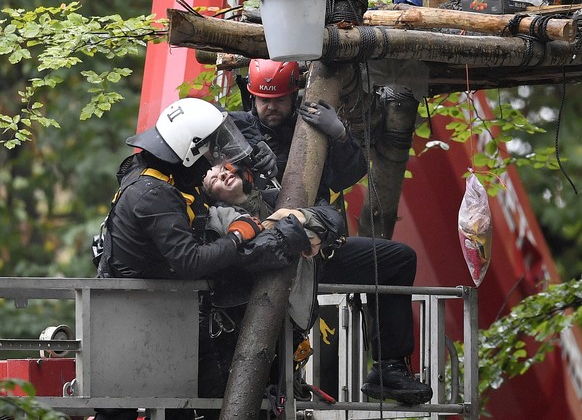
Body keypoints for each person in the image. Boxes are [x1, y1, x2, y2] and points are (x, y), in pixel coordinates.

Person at [94, 98, 314, 420]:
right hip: (135, 316)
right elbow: (190, 261)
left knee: (179, 404)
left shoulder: (162, 175)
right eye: (210, 150)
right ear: (188, 151)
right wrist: (238, 236)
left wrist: (262, 165)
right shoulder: (153, 193)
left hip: (157, 313)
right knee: (122, 411)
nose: (216, 159)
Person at [202, 162, 434, 406]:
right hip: (271, 288)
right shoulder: (219, 217)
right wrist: (300, 226)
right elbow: (256, 251)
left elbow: (331, 216)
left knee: (399, 259)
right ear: (210, 193)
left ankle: (390, 367)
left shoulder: (273, 191)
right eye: (215, 179)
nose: (225, 175)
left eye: (225, 170)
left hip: (314, 262)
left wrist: (302, 222)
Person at [230, 59, 368, 202]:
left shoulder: (312, 128)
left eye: (280, 100)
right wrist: (257, 142)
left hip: (306, 214)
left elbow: (345, 179)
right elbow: (211, 118)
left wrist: (340, 135)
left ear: (293, 97)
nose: (272, 107)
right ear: (254, 99)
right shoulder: (239, 127)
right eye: (264, 100)